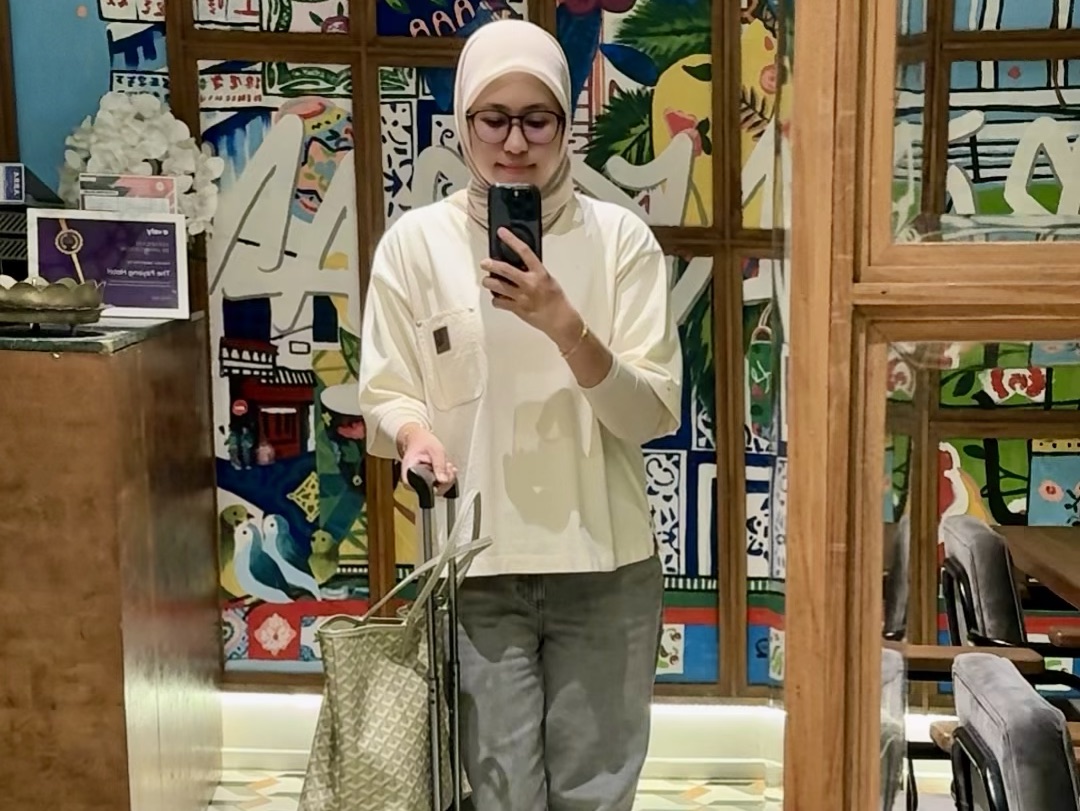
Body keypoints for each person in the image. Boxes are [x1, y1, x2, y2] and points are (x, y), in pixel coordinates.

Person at [358, 18, 682, 811]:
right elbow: (388, 390)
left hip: (606, 565)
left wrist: (564, 324)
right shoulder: (415, 246)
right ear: (463, 121)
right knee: (501, 793)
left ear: (566, 124)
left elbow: (650, 412)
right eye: (493, 118)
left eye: (536, 119)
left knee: (596, 790)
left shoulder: (620, 242)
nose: (514, 142)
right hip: (478, 566)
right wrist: (414, 434)